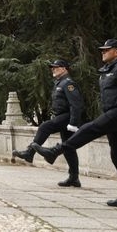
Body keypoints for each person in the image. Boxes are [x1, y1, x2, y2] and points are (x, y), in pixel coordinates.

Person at [33, 39, 117, 208]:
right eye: (102, 50)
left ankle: (56, 151)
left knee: (91, 128)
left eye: (106, 50)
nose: (103, 52)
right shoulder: (108, 70)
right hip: (113, 113)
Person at [13, 59, 85, 187]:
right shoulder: (60, 83)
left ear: (64, 69)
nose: (53, 69)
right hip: (63, 117)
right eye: (52, 67)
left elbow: (76, 104)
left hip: (67, 117)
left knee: (45, 127)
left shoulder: (68, 83)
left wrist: (73, 123)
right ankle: (74, 178)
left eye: (56, 67)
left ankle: (29, 152)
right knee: (68, 148)